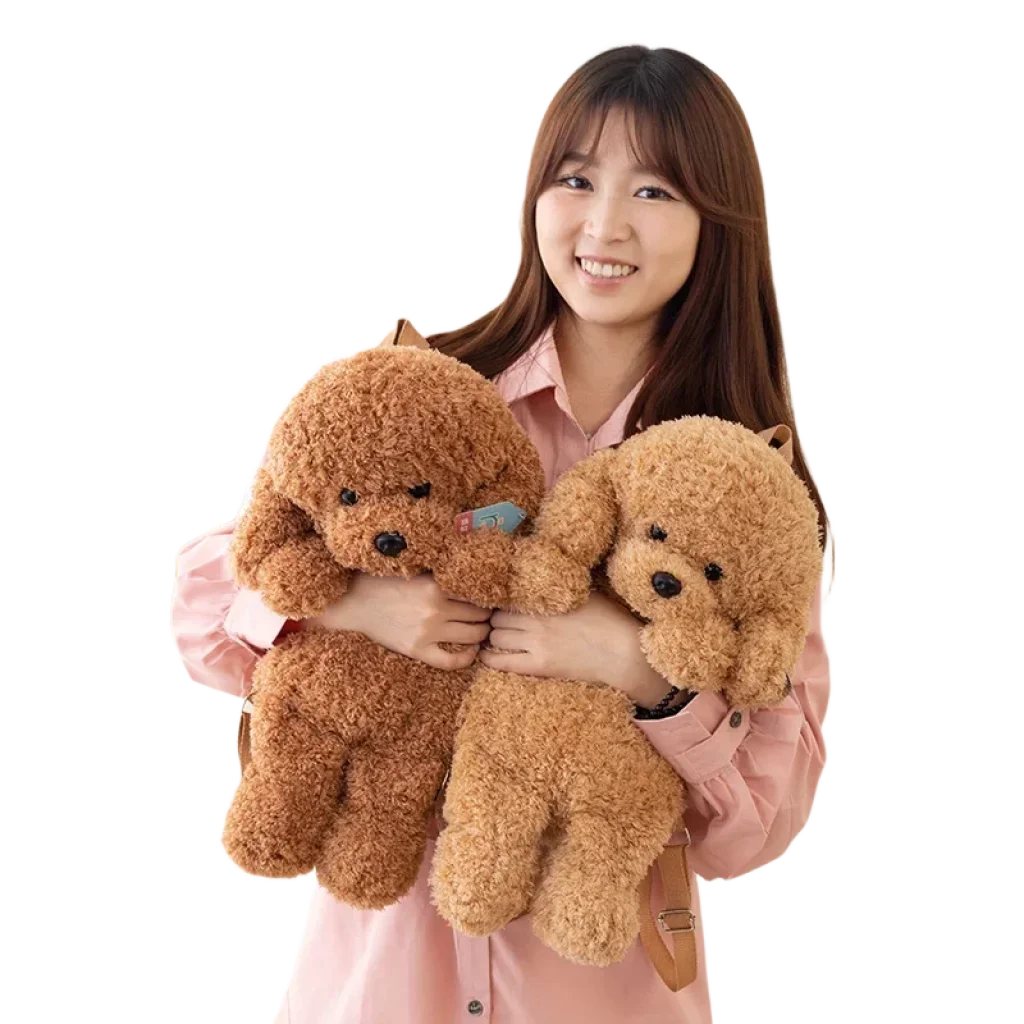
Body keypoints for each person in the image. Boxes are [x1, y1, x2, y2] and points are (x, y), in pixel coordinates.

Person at [169, 42, 834, 1024]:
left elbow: (758, 829)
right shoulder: (424, 391)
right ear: (534, 194)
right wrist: (356, 602)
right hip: (384, 989)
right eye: (576, 178)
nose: (604, 225)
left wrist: (642, 672)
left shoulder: (748, 488)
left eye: (655, 191)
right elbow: (202, 604)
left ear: (717, 219)